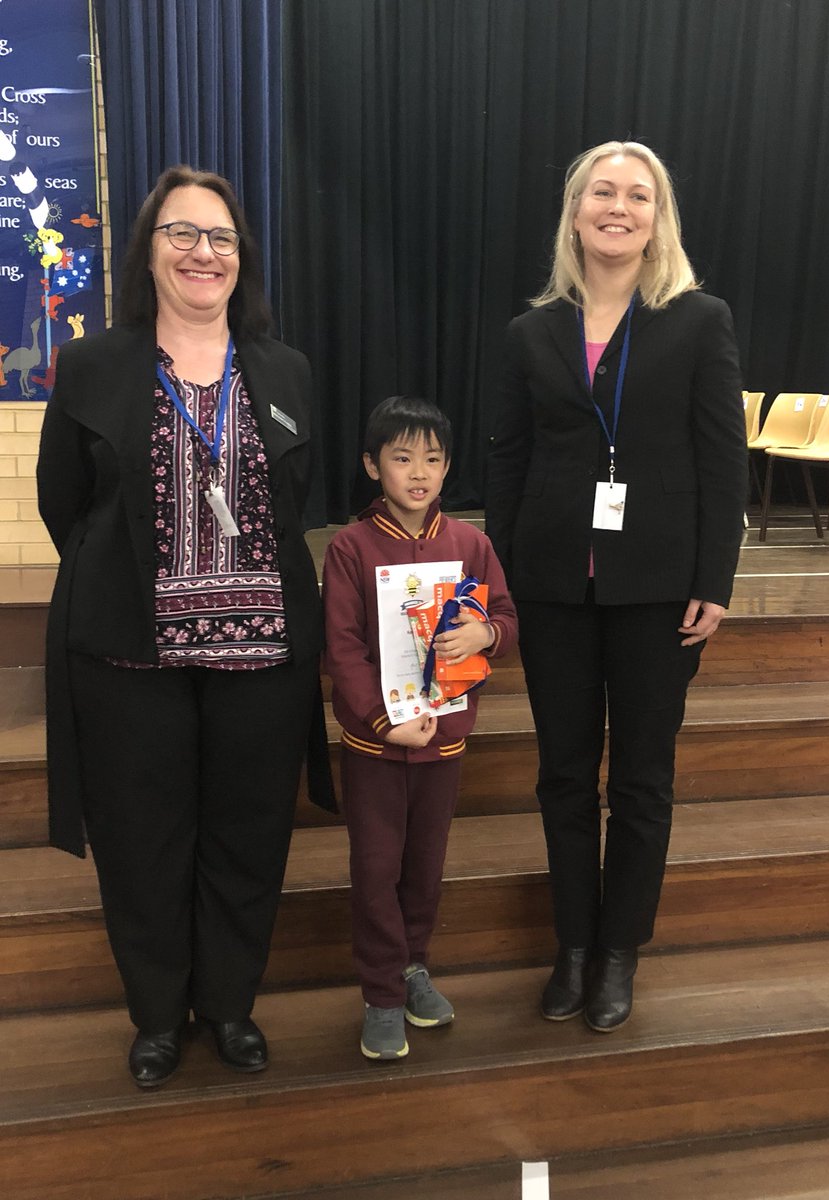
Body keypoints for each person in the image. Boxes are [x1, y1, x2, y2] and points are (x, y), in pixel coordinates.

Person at [36, 165, 334, 1088]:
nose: (204, 253)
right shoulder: (94, 365)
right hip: (131, 655)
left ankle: (230, 1005)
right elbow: (67, 506)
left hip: (263, 659)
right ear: (150, 249)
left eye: (222, 239)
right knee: (141, 841)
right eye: (183, 234)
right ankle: (159, 1017)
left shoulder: (284, 370)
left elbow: (295, 502)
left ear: (241, 259)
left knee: (248, 837)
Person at [485, 140, 747, 1032]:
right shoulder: (531, 332)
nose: (619, 206)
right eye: (603, 191)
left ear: (656, 218)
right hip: (555, 587)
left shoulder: (698, 320)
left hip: (659, 589)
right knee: (563, 778)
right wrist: (504, 579)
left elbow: (722, 458)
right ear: (577, 210)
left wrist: (716, 578)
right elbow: (510, 461)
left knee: (641, 780)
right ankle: (572, 947)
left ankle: (620, 952)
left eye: (638, 195)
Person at [323, 396, 517, 1060]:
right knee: (375, 867)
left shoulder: (471, 544)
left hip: (445, 740)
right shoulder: (351, 547)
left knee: (424, 867)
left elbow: (508, 624)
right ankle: (379, 993)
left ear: (447, 468)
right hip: (376, 746)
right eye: (402, 458)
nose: (418, 473)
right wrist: (380, 720)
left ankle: (412, 969)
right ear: (372, 465)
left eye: (432, 460)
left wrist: (486, 632)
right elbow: (342, 649)